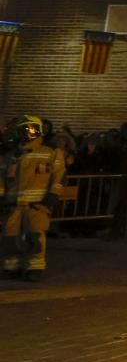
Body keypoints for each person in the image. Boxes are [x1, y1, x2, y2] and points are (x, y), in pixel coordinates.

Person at [2, 117, 68, 279]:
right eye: (24, 129)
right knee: (11, 236)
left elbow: (59, 176)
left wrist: (52, 196)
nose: (28, 133)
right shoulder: (11, 156)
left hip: (37, 205)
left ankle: (34, 267)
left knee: (35, 236)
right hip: (13, 205)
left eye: (31, 129)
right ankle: (12, 266)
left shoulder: (50, 153)